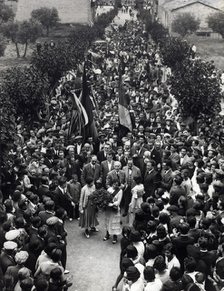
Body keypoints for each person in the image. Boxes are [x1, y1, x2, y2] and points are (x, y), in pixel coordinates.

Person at [104, 180, 123, 244]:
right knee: (108, 221)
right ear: (112, 184)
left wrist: (112, 204)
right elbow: (105, 198)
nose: (115, 186)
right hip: (108, 209)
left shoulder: (120, 191)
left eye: (117, 184)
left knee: (115, 222)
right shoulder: (109, 189)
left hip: (115, 208)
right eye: (114, 184)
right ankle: (107, 234)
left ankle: (115, 237)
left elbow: (119, 201)